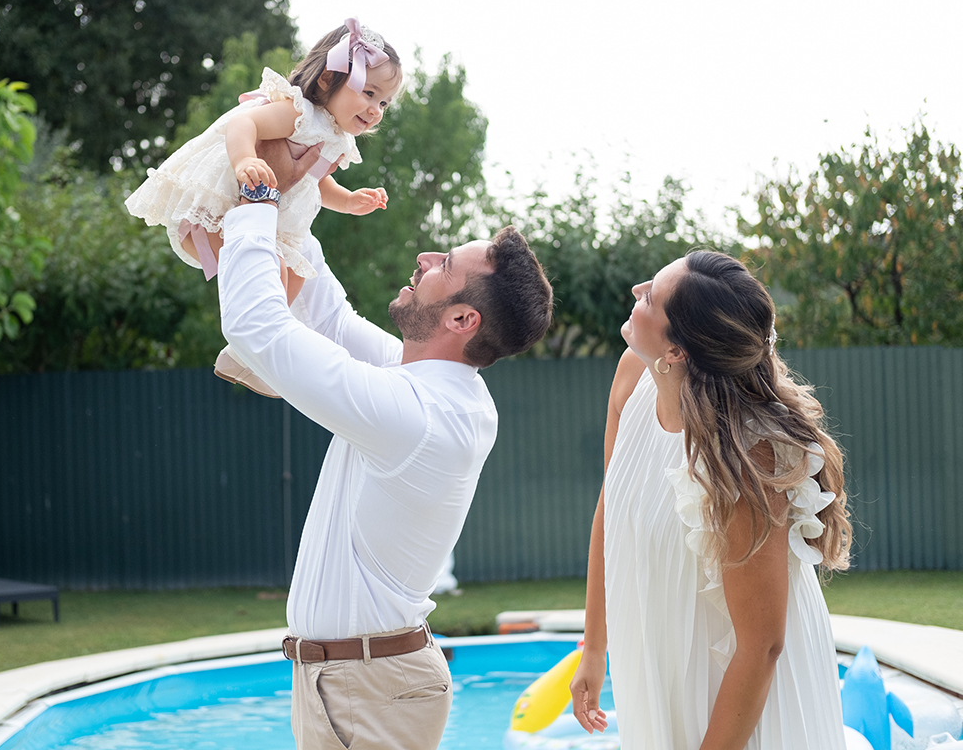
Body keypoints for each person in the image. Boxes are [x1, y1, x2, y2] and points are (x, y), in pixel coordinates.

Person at [217, 138, 554, 750]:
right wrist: (295, 187)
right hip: (363, 681)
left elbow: (258, 327)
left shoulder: (417, 414)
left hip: (366, 688)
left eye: (443, 264)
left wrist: (257, 201)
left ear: (461, 320)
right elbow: (330, 319)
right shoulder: (440, 389)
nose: (423, 258)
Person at [569, 251, 853, 750]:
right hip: (660, 658)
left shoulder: (745, 457)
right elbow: (610, 512)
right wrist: (594, 647)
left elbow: (761, 646)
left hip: (743, 693)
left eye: (650, 297)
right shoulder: (632, 376)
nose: (636, 290)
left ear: (676, 350)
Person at [125, 18, 401, 396]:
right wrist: (244, 161)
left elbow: (317, 183)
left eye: (384, 102)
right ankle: (253, 350)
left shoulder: (335, 137)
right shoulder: (299, 112)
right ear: (327, 79)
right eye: (369, 93)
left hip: (263, 221)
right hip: (220, 212)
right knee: (278, 272)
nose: (376, 109)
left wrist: (349, 201)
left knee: (298, 274)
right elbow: (242, 125)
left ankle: (245, 355)